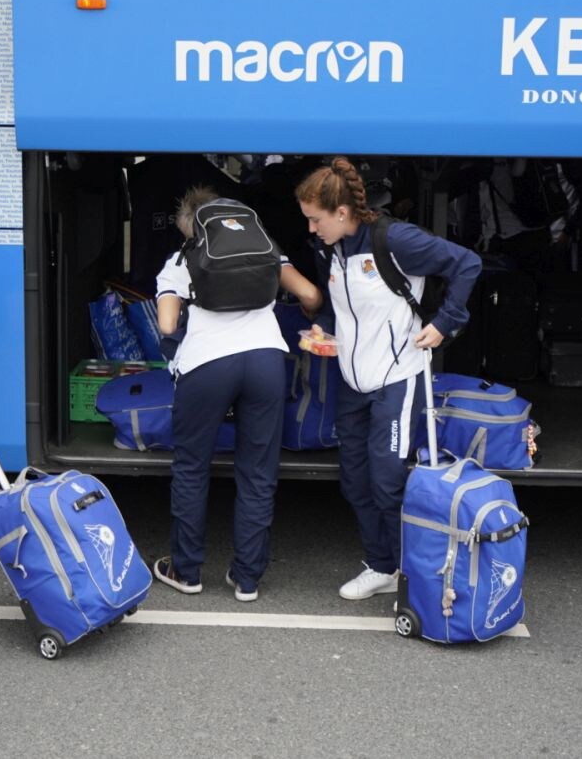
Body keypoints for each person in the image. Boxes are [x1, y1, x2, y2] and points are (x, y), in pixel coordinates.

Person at [296, 157, 481, 600]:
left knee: (386, 480)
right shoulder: (330, 247)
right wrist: (324, 328)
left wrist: (445, 322)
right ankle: (381, 566)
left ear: (342, 213)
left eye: (314, 219)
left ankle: (413, 575)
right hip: (353, 381)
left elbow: (468, 264)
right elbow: (340, 307)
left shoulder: (395, 239)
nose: (310, 229)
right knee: (354, 480)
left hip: (398, 378)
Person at [152, 186, 322, 601]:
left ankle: (187, 571)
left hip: (207, 366)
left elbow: (169, 326)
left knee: (192, 468)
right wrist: (309, 317)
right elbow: (311, 295)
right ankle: (247, 579)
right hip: (266, 361)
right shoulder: (265, 253)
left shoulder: (179, 261)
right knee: (258, 473)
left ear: (190, 228)